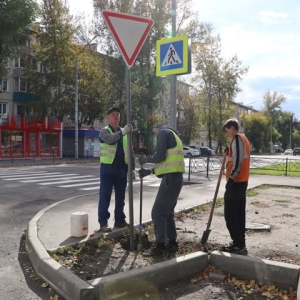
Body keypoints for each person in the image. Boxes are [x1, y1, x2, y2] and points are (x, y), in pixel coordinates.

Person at [138, 124, 185, 256]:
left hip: (171, 179)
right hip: (175, 178)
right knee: (168, 212)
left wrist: (146, 159)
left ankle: (160, 247)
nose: (156, 135)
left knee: (158, 213)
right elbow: (167, 164)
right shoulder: (174, 135)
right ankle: (172, 243)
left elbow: (160, 156)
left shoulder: (163, 133)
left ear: (158, 128)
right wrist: (149, 171)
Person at [98, 107, 135, 232]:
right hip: (108, 170)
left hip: (121, 170)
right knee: (105, 196)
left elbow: (130, 151)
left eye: (118, 114)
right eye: (113, 114)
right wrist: (122, 133)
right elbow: (109, 140)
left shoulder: (124, 133)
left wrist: (132, 168)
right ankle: (103, 223)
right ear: (108, 117)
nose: (116, 116)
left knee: (121, 197)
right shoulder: (104, 131)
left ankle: (119, 219)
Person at [221, 118, 250, 254]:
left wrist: (231, 179)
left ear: (232, 128)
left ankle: (238, 244)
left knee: (230, 214)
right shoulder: (243, 138)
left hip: (236, 182)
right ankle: (240, 243)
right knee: (239, 214)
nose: (227, 134)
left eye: (227, 131)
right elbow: (236, 157)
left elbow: (238, 161)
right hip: (242, 181)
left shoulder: (237, 138)